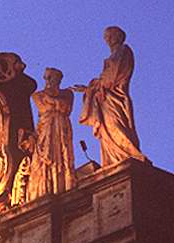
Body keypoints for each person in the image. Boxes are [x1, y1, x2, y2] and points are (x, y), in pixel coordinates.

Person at [71, 26, 148, 167]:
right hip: (105, 98)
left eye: (110, 36)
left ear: (119, 36)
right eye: (106, 37)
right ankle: (113, 161)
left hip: (115, 98)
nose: (108, 39)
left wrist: (93, 87)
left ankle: (127, 155)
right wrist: (89, 89)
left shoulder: (123, 51)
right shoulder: (114, 55)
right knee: (107, 130)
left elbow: (111, 77)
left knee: (116, 125)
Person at [27, 68, 76, 201]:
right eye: (46, 77)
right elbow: (45, 107)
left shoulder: (68, 93)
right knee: (45, 157)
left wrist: (52, 101)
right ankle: (46, 187)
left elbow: (66, 108)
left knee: (62, 153)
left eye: (51, 77)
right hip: (46, 128)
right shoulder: (38, 95)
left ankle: (62, 184)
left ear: (58, 79)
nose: (47, 80)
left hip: (61, 127)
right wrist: (56, 104)